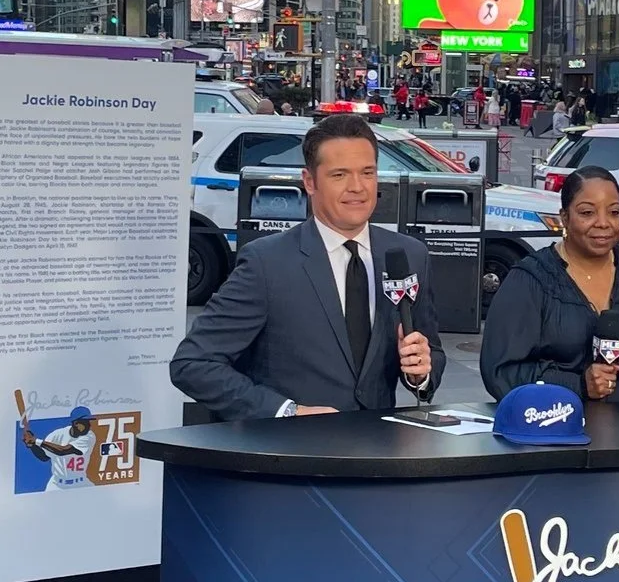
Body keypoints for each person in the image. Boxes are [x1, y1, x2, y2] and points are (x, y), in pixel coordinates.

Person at [171, 113, 444, 418]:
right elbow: (193, 364)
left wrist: (419, 374)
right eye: (340, 175)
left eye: (367, 172)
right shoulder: (267, 263)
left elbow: (431, 352)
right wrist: (288, 412)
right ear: (309, 182)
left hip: (377, 454)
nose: (357, 187)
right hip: (291, 456)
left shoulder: (409, 256)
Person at [480, 165, 619, 403]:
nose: (603, 223)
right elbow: (502, 370)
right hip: (554, 426)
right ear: (564, 218)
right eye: (587, 213)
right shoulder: (529, 280)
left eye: (614, 212)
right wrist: (576, 385)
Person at [22, 405, 97, 491]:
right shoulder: (56, 435)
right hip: (57, 485)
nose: (89, 425)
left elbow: (63, 450)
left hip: (81, 483)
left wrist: (36, 441)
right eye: (85, 422)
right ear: (76, 423)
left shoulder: (89, 436)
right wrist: (32, 445)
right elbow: (44, 457)